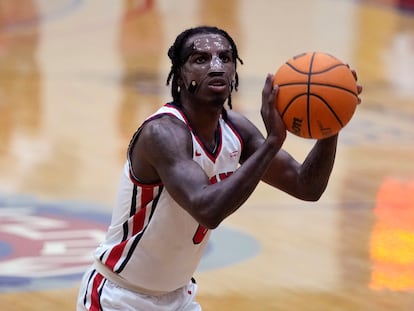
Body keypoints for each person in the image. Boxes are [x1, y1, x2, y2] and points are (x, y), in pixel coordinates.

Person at [77, 25, 362, 310]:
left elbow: (306, 186)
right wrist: (273, 142)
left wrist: (330, 123)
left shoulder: (236, 130)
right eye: (200, 59)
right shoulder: (162, 134)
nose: (216, 66)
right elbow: (207, 210)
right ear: (180, 75)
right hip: (120, 297)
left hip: (179, 298)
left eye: (225, 58)